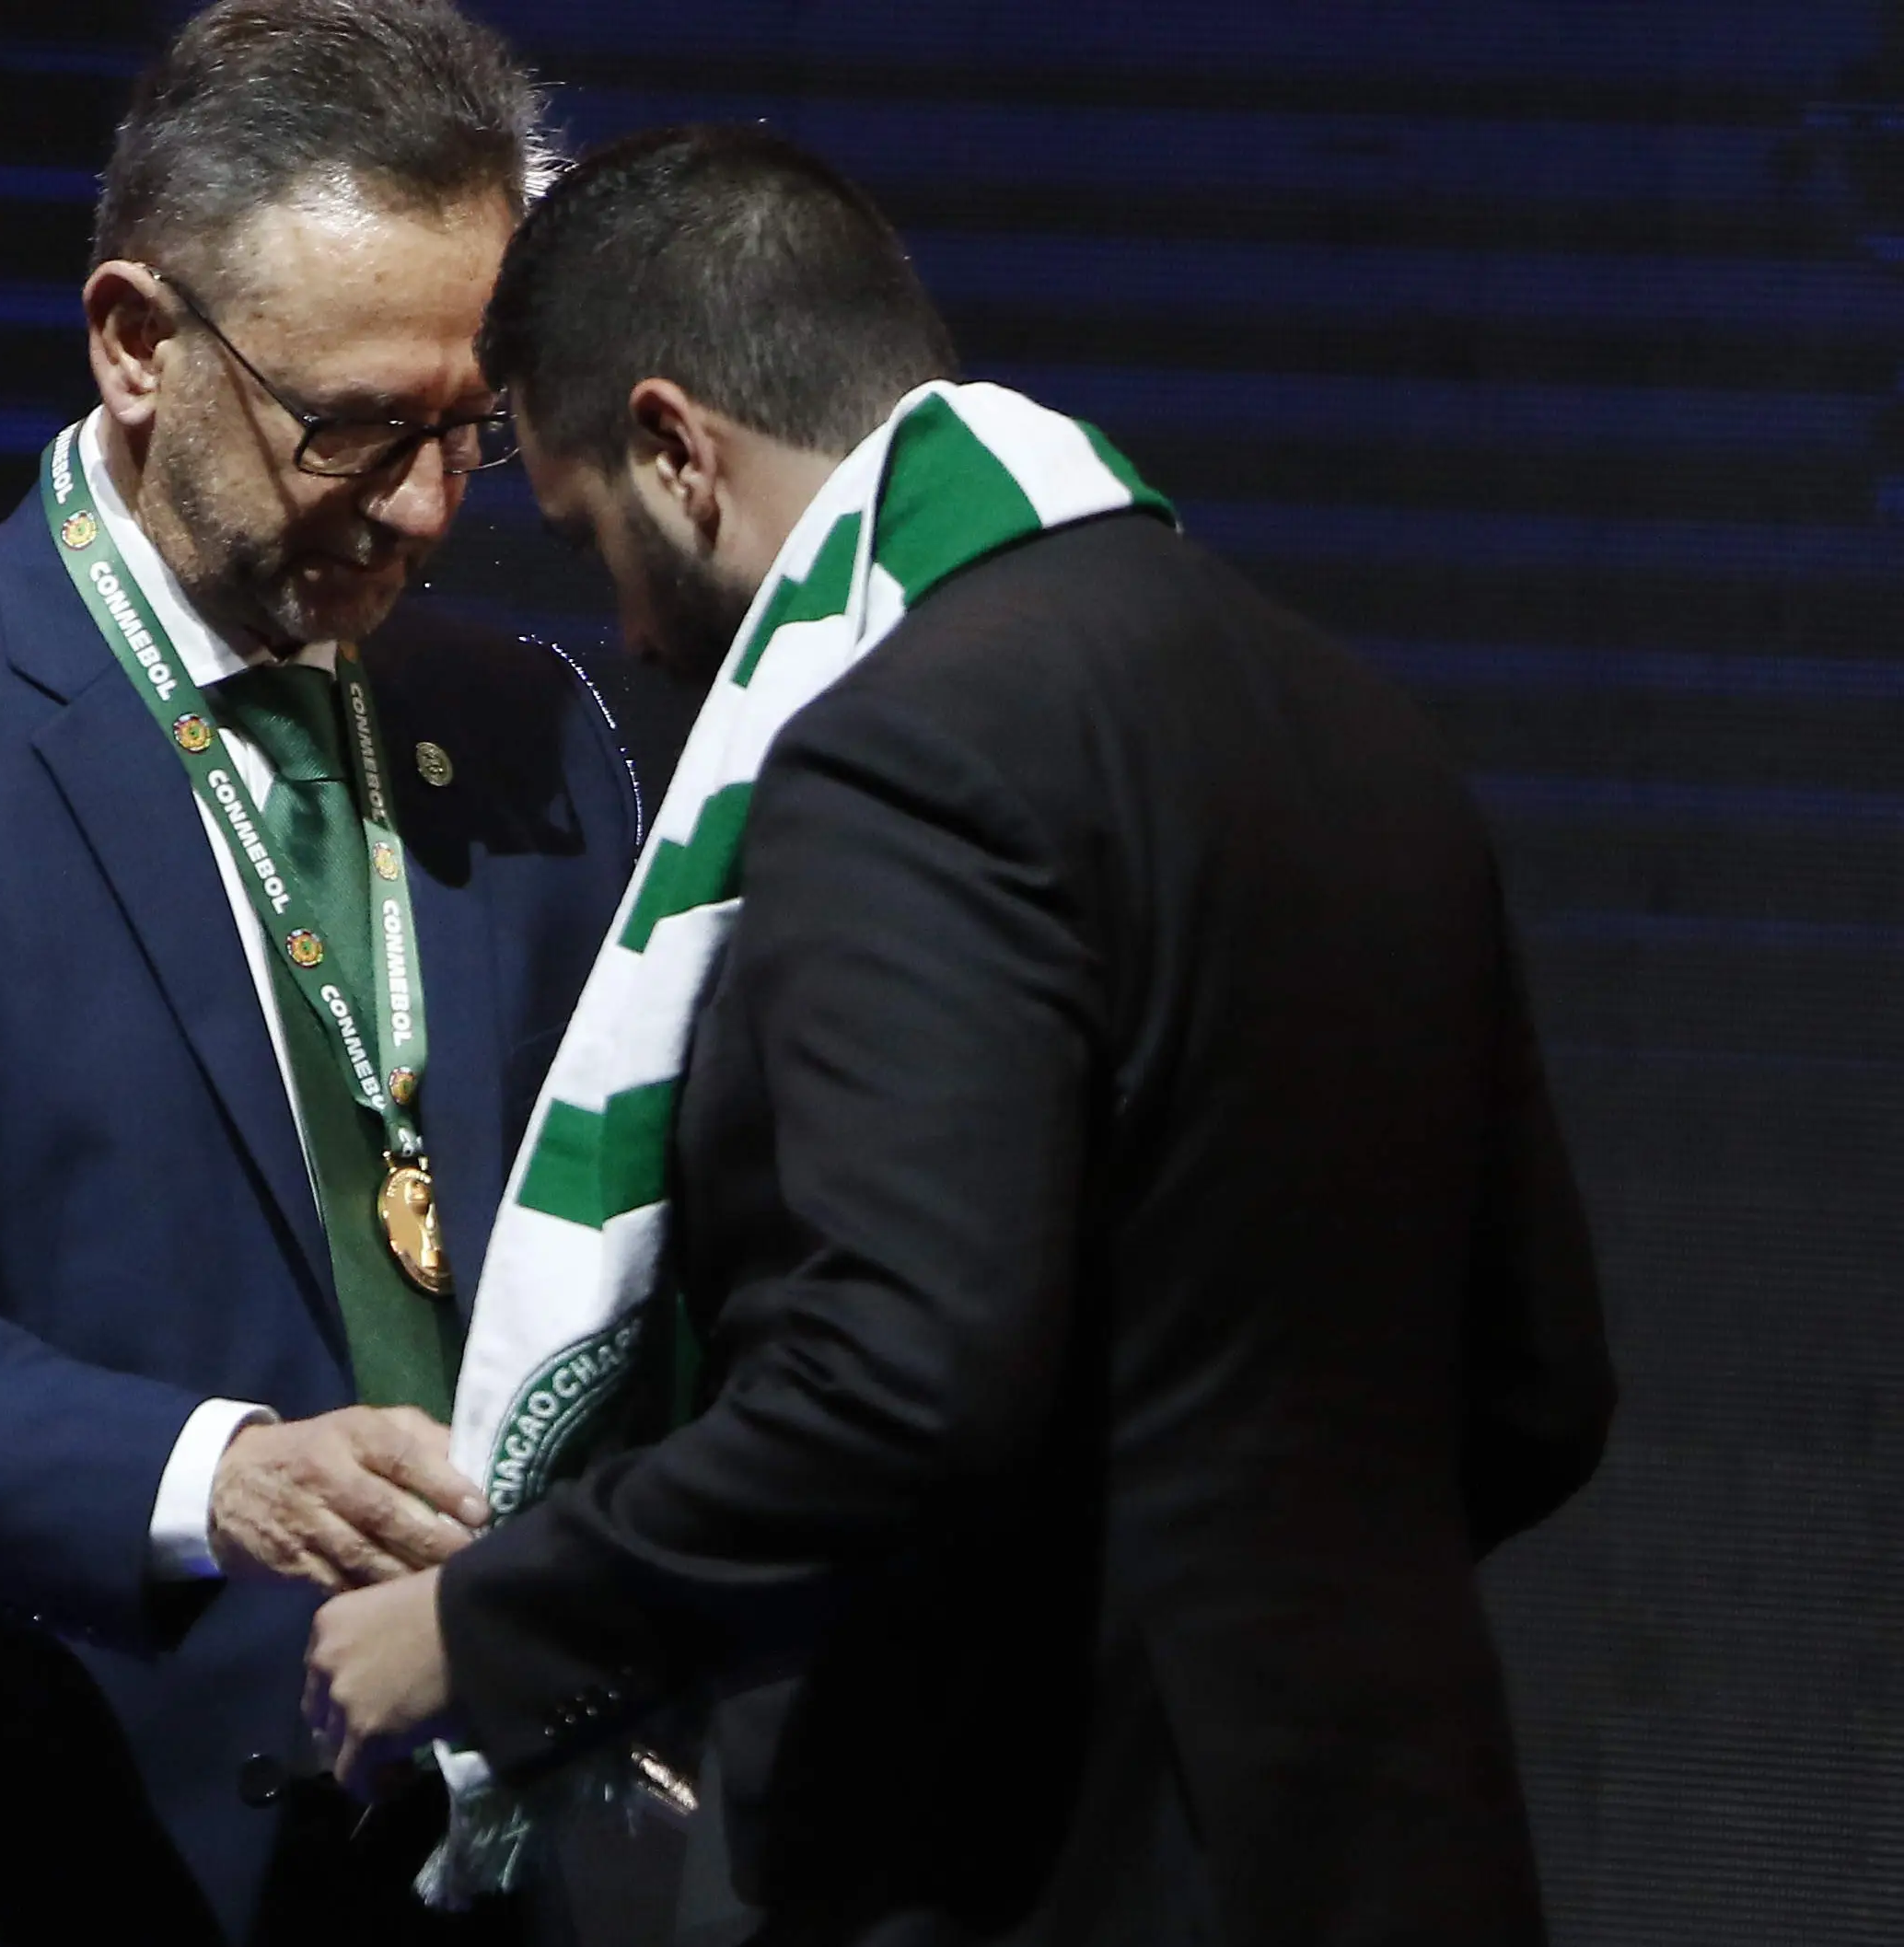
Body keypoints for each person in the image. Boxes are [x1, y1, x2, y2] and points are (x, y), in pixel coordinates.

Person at [302, 125, 1618, 1946]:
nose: (616, 622)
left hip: (1045, 1860)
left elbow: (904, 1375)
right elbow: (1540, 1387)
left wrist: (484, 1616)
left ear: (676, 449)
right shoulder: (1360, 727)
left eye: (587, 530)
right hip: (1403, 1847)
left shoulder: (900, 750)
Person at [0, 5, 643, 1943]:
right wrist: (215, 1475)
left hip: (439, 1869)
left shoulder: (526, 733)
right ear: (134, 341)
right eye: (349, 426)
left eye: (465, 426)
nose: (424, 504)